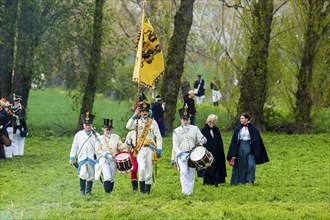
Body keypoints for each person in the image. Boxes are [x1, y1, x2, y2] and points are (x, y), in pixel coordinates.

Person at [126, 98, 162, 194]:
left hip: (150, 148)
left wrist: (159, 149)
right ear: (140, 112)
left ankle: (147, 191)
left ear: (148, 112)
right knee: (141, 168)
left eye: (146, 111)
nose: (144, 113)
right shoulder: (137, 122)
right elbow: (128, 126)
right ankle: (142, 190)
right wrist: (134, 115)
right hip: (140, 149)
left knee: (149, 171)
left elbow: (158, 136)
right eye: (142, 111)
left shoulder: (153, 122)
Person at [172, 105, 207, 195]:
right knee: (183, 172)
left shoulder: (195, 128)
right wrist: (180, 155)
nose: (186, 121)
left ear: (190, 119)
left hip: (193, 154)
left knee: (191, 174)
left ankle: (189, 192)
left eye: (187, 119)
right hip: (182, 154)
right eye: (184, 120)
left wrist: (202, 140)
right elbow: (175, 145)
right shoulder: (176, 131)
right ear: (181, 120)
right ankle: (184, 192)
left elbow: (202, 139)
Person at [227, 113, 269, 185]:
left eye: (242, 118)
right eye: (240, 118)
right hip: (241, 147)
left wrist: (253, 144)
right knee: (241, 164)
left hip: (250, 148)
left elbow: (257, 139)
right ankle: (241, 181)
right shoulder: (238, 128)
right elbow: (234, 141)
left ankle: (250, 180)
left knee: (251, 164)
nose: (241, 120)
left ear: (247, 119)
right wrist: (233, 153)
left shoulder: (253, 128)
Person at [69, 112, 99, 196]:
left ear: (91, 125)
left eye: (89, 125)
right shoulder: (78, 135)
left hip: (92, 158)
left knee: (91, 174)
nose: (87, 126)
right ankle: (82, 190)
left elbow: (99, 147)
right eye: (86, 125)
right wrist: (72, 158)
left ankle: (88, 192)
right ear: (83, 125)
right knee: (82, 173)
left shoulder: (96, 135)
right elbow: (74, 147)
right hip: (82, 158)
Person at [95, 118, 123, 194]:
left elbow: (120, 147)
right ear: (103, 129)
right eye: (107, 129)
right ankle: (107, 192)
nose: (108, 131)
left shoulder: (116, 137)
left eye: (110, 129)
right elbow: (98, 150)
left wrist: (127, 144)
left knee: (112, 176)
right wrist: (105, 154)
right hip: (104, 160)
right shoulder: (99, 138)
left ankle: (110, 192)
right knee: (107, 176)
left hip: (113, 159)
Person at [199, 114, 227, 186]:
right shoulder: (204, 129)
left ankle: (215, 181)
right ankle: (207, 181)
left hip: (216, 151)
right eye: (213, 121)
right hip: (207, 152)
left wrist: (219, 148)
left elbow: (219, 140)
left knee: (216, 166)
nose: (214, 122)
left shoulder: (216, 129)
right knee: (208, 166)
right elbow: (202, 141)